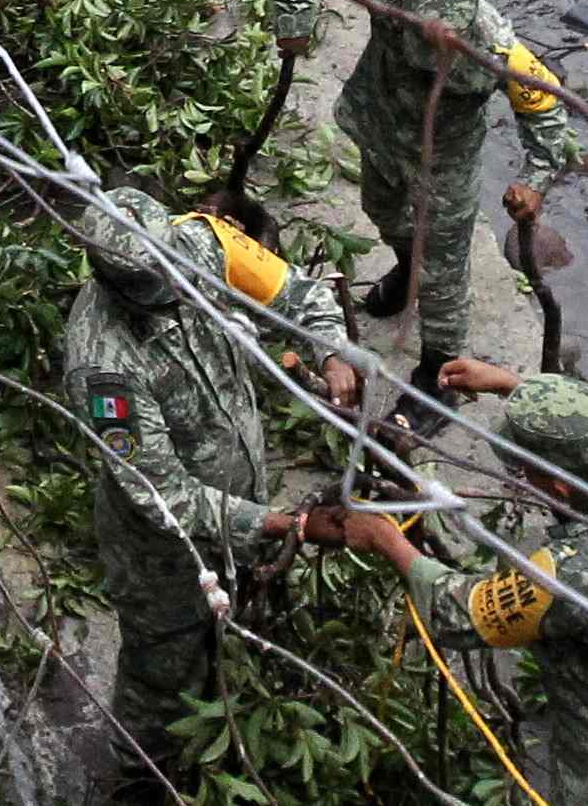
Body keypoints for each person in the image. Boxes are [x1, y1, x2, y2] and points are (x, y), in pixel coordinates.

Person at [57, 182, 388, 781]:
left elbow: (297, 292)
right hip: (164, 556)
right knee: (162, 674)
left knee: (232, 623)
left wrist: (329, 351)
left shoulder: (203, 243)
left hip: (243, 497)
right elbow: (164, 496)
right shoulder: (105, 365)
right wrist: (285, 525)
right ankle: (139, 780)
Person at [311, 374, 588, 806]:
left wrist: (385, 539)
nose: (516, 477)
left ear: (559, 489)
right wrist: (515, 388)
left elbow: (459, 616)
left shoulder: (579, 572)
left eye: (522, 470)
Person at [265, 0, 588, 399]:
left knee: (442, 273)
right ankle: (404, 266)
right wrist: (294, 16)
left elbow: (546, 111)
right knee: (382, 211)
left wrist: (534, 180)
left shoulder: (499, 48)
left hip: (443, 166)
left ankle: (439, 372)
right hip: (379, 125)